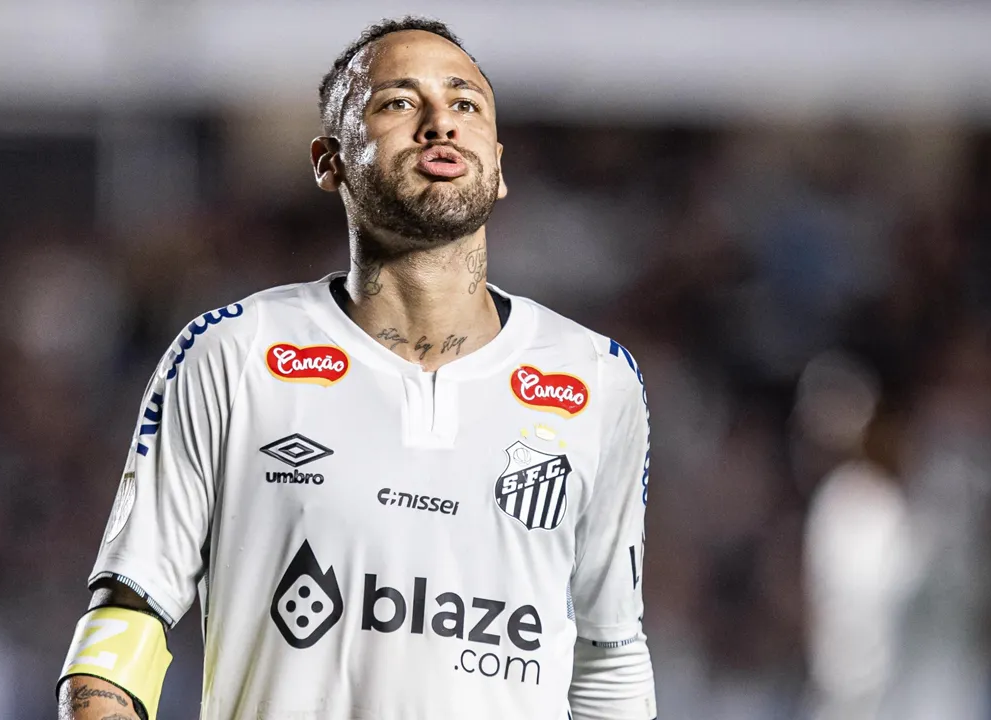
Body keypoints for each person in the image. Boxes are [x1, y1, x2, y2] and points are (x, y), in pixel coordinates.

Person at [57, 16, 656, 720]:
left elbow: (609, 658)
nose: (440, 123)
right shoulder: (235, 353)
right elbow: (126, 622)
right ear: (328, 160)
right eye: (399, 101)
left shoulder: (597, 381)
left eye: (465, 104)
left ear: (498, 167)